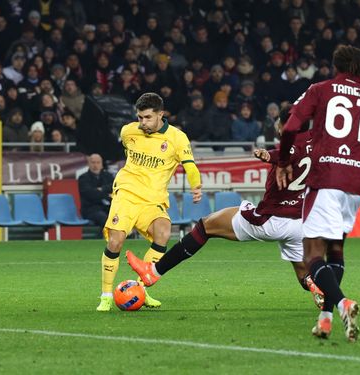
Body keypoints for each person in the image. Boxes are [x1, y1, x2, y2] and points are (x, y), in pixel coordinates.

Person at [126, 106, 325, 316]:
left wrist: (268, 155)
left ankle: (153, 272)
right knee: (305, 274)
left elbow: (284, 153)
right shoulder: (318, 142)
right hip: (299, 223)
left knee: (205, 226)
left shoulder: (288, 146)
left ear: (287, 125)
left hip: (271, 220)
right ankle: (325, 291)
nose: (276, 127)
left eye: (279, 123)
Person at [275, 46, 360, 342]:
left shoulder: (320, 89)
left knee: (311, 254)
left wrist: (282, 161)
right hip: (356, 184)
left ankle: (344, 305)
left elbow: (291, 126)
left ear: (336, 65)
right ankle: (326, 319)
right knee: (336, 251)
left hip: (325, 179)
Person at [96, 93, 202, 312]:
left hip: (153, 199)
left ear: (160, 115)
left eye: (147, 117)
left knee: (163, 232)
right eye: (139, 117)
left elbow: (190, 165)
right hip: (126, 193)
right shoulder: (128, 131)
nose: (142, 122)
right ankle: (106, 295)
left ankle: (140, 290)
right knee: (115, 241)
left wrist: (196, 185)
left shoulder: (177, 138)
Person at [78, 154, 114, 228]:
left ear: (101, 164)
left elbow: (114, 187)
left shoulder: (108, 176)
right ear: (89, 164)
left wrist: (102, 189)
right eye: (93, 162)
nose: (95, 165)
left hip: (107, 207)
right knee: (103, 217)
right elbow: (90, 194)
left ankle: (128, 235)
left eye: (98, 163)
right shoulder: (83, 178)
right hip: (91, 209)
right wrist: (107, 195)